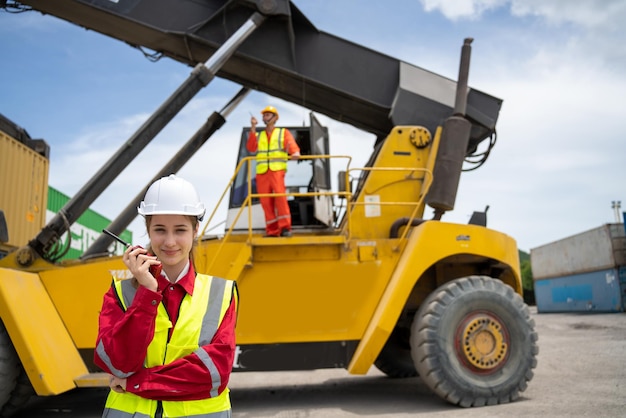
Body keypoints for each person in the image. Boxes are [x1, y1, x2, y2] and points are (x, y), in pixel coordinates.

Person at [94, 174, 238, 418]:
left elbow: (213, 373)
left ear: (195, 231)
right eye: (160, 230)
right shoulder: (120, 293)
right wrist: (147, 293)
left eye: (180, 230)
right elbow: (118, 363)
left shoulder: (221, 294)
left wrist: (137, 383)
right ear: (148, 231)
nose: (170, 242)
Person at [247, 105, 301, 237]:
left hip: (277, 171)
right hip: (262, 172)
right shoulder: (259, 135)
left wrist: (295, 152)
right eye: (264, 115)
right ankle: (272, 230)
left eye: (267, 114)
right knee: (266, 202)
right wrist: (253, 127)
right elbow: (251, 147)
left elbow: (291, 145)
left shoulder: (283, 133)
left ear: (275, 117)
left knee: (280, 199)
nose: (265, 117)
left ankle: (285, 228)